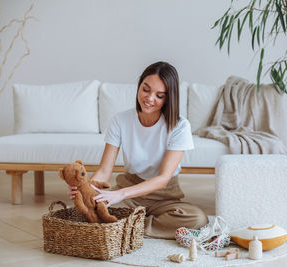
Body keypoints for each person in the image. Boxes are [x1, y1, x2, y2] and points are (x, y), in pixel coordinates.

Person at [69, 61, 208, 239]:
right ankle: (131, 224)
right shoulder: (120, 121)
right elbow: (104, 171)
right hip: (129, 191)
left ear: (168, 98)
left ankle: (127, 226)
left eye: (159, 95)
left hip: (164, 197)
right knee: (89, 210)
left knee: (198, 219)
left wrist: (120, 194)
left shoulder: (179, 126)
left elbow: (163, 179)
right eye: (146, 89)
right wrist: (87, 188)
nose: (150, 98)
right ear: (139, 86)